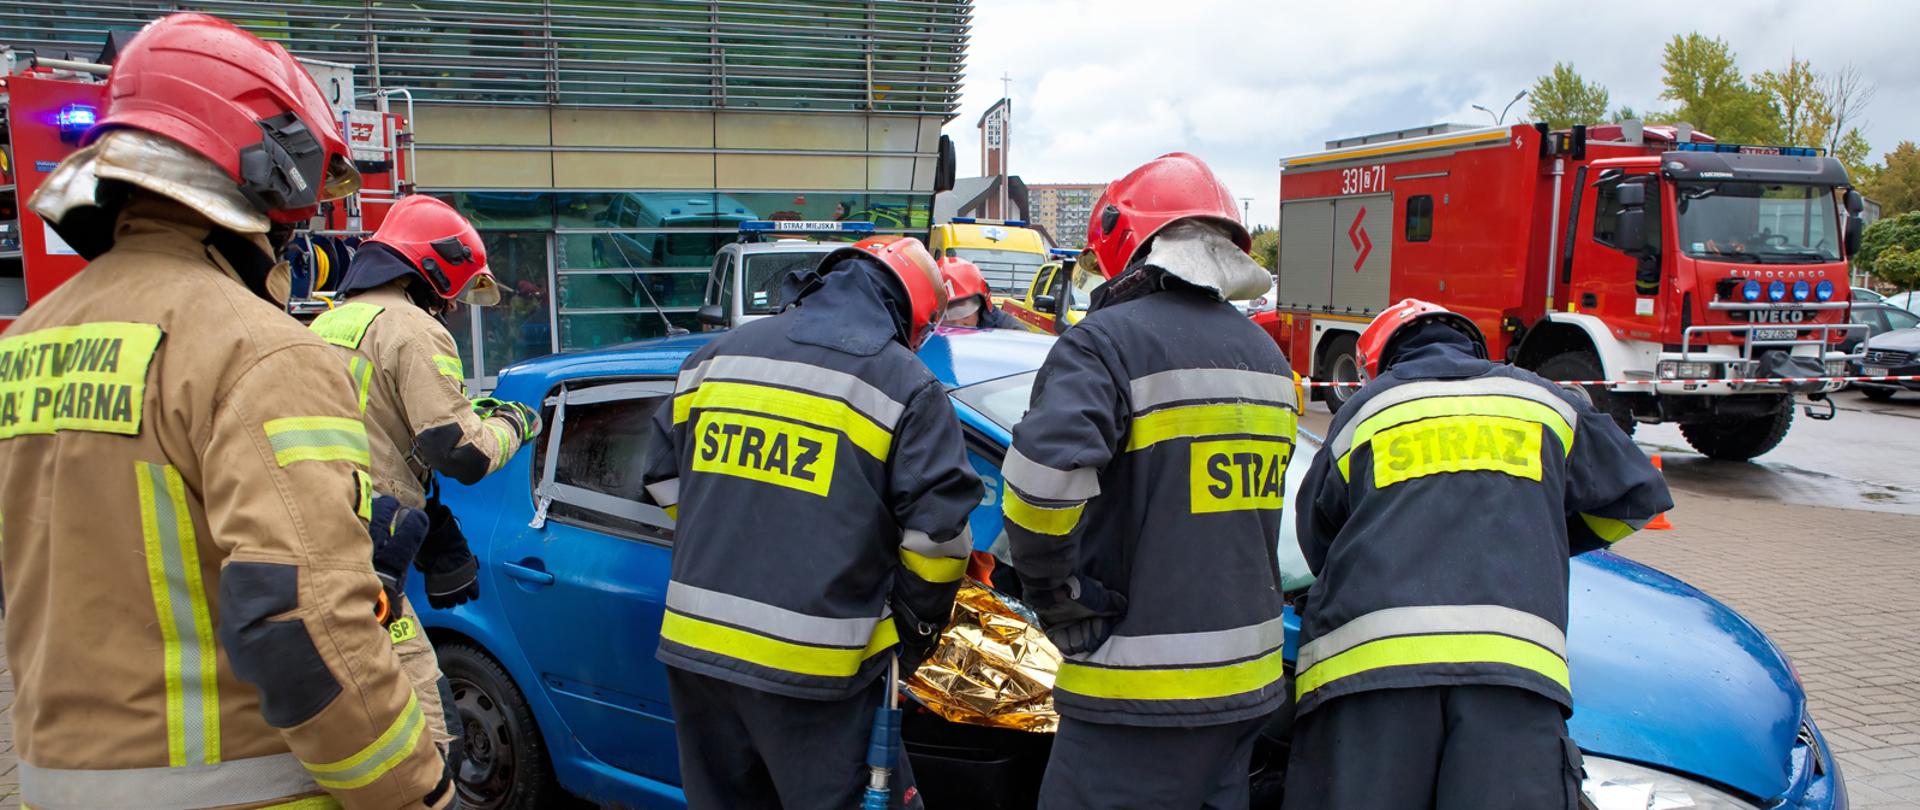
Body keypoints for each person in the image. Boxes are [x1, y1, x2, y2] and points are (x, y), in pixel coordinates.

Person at [1, 13, 452, 808]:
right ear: (264, 174)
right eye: (297, 217)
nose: (296, 237)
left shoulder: (26, 343)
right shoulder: (258, 349)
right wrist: (416, 791)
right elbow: (302, 621)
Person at [1281, 299, 1674, 810]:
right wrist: (1544, 533)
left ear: (1379, 364)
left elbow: (1318, 540)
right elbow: (1638, 497)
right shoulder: (1545, 402)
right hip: (1513, 680)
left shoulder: (1369, 410)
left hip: (1369, 682)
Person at [640, 236, 981, 809]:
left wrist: (737, 541)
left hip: (697, 652)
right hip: (817, 667)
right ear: (914, 315)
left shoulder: (715, 358)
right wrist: (913, 629)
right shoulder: (904, 385)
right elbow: (939, 542)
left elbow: (662, 480)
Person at [1001, 153, 1295, 809]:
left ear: (1125, 243)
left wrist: (1063, 601)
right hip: (1247, 684)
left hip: (1139, 695)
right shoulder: (1267, 357)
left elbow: (1041, 490)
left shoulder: (1106, 343)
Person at [310, 193, 542, 761]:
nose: (457, 308)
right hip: (369, 560)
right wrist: (516, 420)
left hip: (321, 531)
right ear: (435, 270)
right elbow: (461, 452)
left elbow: (377, 433)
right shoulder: (414, 330)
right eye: (458, 294)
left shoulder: (326, 322)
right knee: (431, 735)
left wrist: (428, 515)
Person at [938, 256, 1021, 329]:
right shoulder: (926, 334)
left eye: (965, 314)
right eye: (948, 316)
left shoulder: (1011, 331)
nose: (958, 325)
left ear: (980, 309)